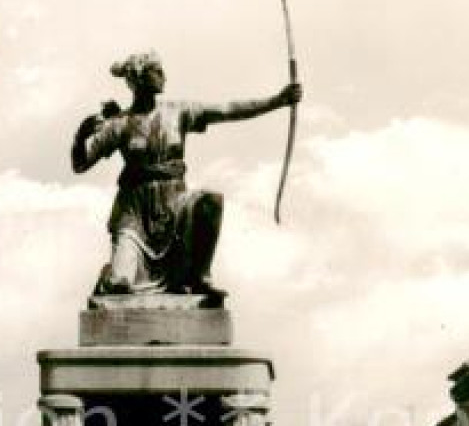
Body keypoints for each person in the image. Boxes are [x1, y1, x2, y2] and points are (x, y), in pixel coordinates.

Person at [71, 51, 302, 302]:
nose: (163, 76)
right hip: (134, 215)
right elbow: (80, 165)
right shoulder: (118, 123)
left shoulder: (177, 112)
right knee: (120, 285)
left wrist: (277, 101)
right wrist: (80, 138)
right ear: (138, 77)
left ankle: (201, 277)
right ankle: (111, 274)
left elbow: (228, 110)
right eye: (156, 71)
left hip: (174, 207)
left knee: (209, 201)